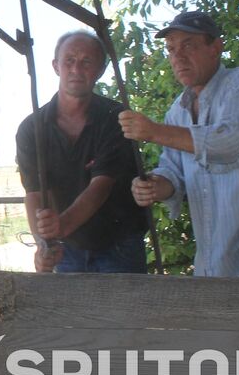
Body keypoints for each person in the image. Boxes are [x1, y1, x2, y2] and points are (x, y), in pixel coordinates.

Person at [118, 10, 239, 277]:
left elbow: (227, 142)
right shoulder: (176, 112)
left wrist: (153, 132)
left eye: (188, 45)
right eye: (171, 49)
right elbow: (174, 175)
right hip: (213, 260)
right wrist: (156, 186)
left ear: (216, 47)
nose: (178, 56)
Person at [16, 30, 147, 274]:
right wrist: (45, 245)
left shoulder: (116, 118)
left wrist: (60, 228)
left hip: (119, 246)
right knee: (70, 313)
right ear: (56, 66)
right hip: (68, 250)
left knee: (125, 313)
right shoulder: (30, 129)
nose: (76, 69)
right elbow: (34, 192)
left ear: (100, 70)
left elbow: (101, 185)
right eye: (69, 60)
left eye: (87, 62)